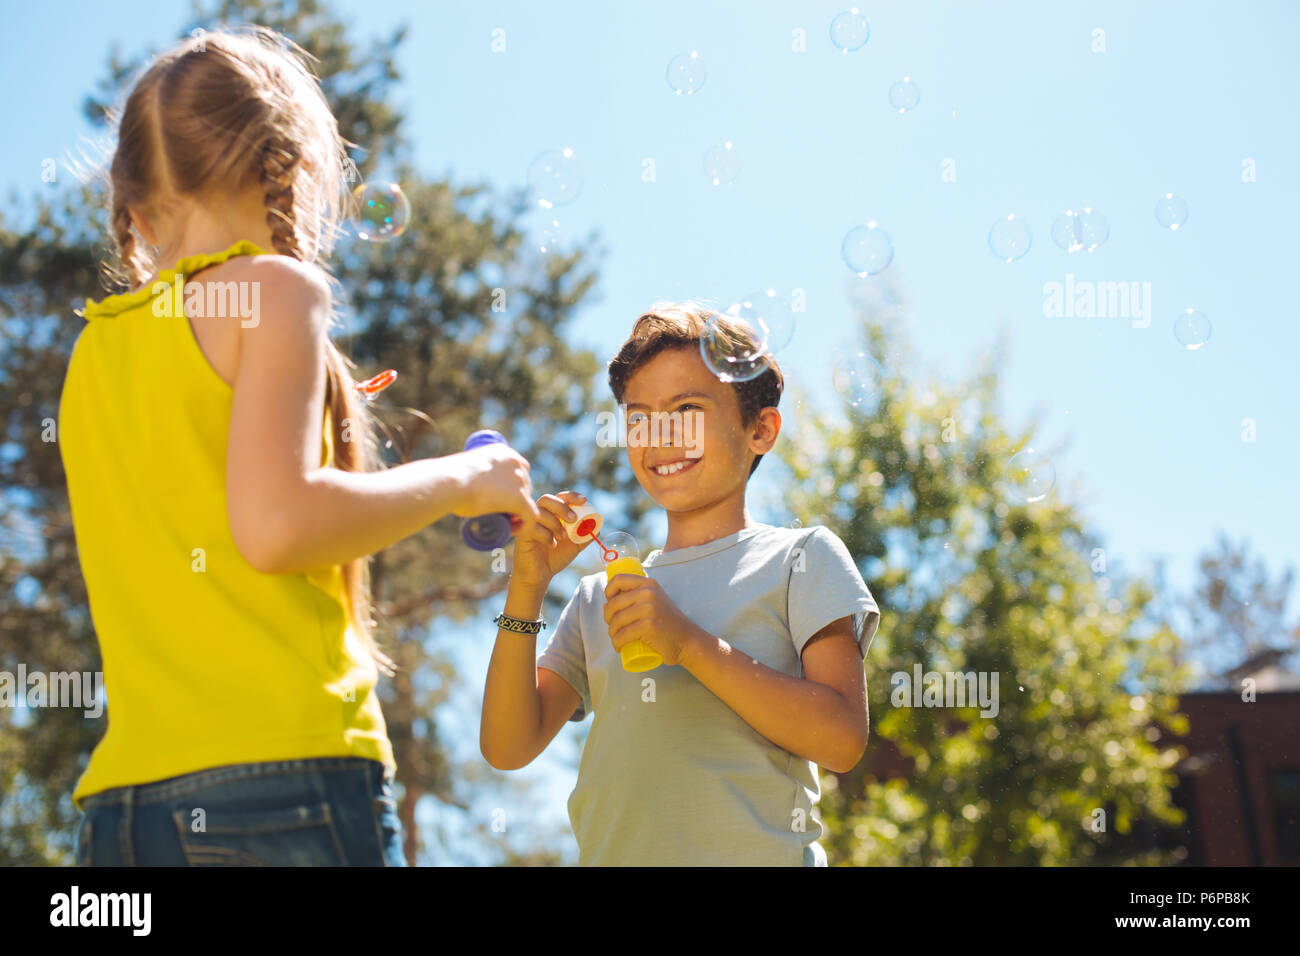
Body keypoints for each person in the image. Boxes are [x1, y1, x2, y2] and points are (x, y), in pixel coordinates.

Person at [60, 26, 538, 866]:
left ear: (131, 196)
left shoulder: (93, 351)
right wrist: (463, 478)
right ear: (287, 161)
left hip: (122, 810)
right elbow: (276, 525)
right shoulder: (276, 290)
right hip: (283, 782)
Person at [481, 302, 880, 865]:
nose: (661, 435)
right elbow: (507, 746)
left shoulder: (801, 558)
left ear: (760, 429)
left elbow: (841, 739)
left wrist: (688, 644)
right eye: (639, 417)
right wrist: (526, 587)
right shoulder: (601, 597)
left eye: (687, 409)